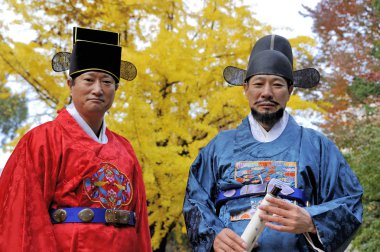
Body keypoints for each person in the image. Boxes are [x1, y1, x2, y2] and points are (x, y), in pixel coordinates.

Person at [182, 34, 363, 252]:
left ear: (290, 90)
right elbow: (195, 201)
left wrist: (311, 220)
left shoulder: (317, 146)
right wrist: (214, 235)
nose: (266, 93)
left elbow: (350, 201)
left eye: (277, 84)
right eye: (258, 84)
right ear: (245, 88)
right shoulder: (219, 147)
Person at [0, 27, 151, 251]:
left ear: (116, 89)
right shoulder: (42, 140)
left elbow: (141, 227)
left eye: (107, 82)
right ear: (70, 86)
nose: (98, 89)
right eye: (88, 80)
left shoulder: (124, 149)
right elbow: (23, 217)